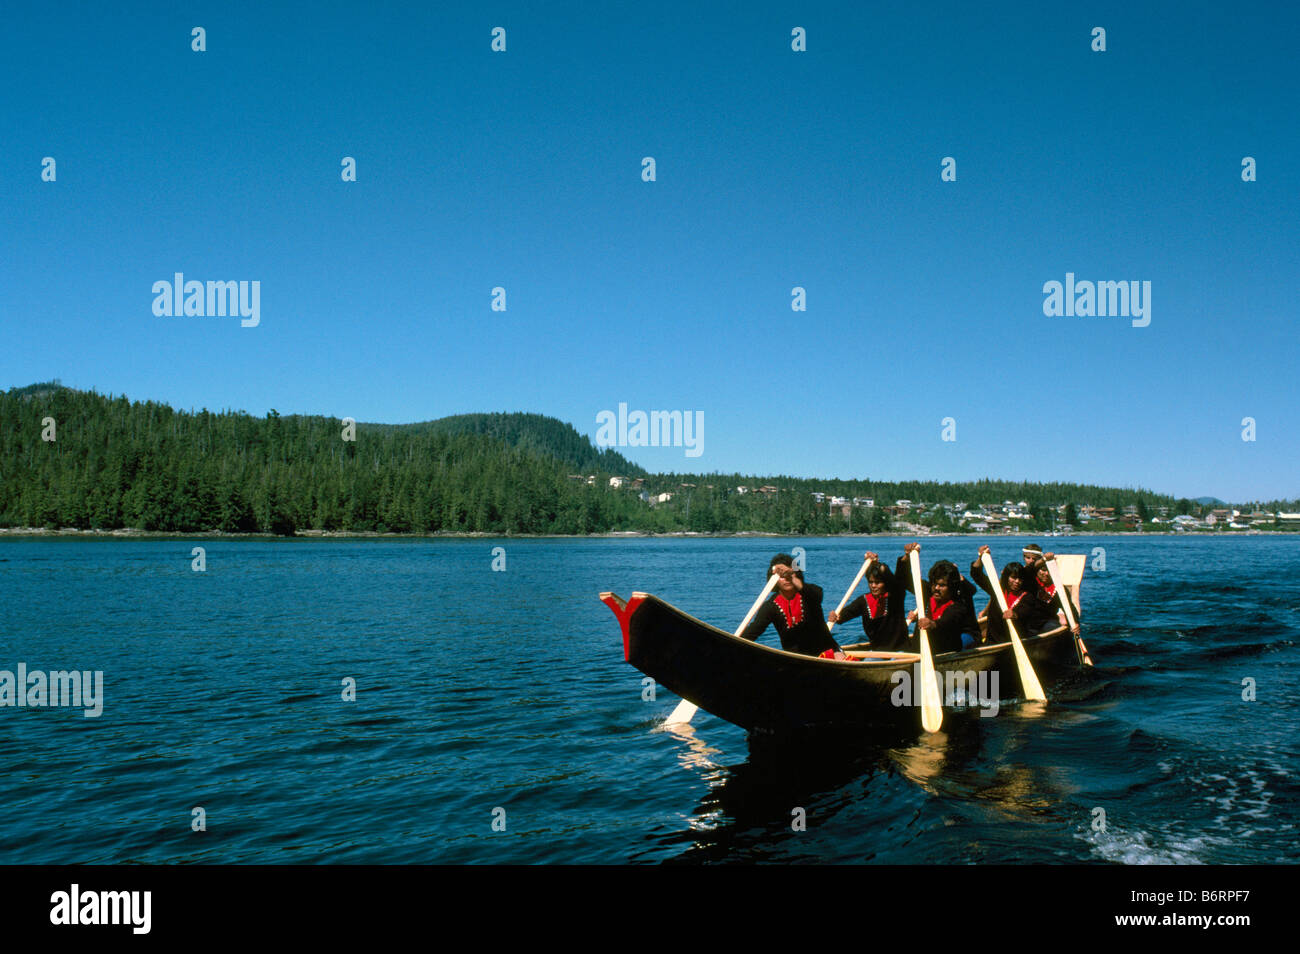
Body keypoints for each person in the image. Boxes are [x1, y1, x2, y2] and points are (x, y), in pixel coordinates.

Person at [741, 553, 843, 657]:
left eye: (790, 574)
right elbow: (752, 632)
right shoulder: (770, 606)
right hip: (795, 658)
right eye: (781, 576)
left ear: (797, 575)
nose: (786, 579)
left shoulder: (810, 594)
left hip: (827, 652)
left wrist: (790, 575)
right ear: (774, 580)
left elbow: (817, 595)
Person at [896, 543, 970, 655]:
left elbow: (947, 621)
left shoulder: (958, 606)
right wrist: (907, 557)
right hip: (918, 651)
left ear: (951, 587)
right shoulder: (927, 592)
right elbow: (903, 579)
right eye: (934, 584)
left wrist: (932, 624)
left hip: (943, 651)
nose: (936, 588)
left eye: (942, 585)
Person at [828, 551, 909, 651]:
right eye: (871, 582)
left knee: (916, 666)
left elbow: (896, 580)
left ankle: (915, 666)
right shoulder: (864, 600)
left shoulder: (896, 596)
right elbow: (844, 615)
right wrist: (835, 616)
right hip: (877, 650)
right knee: (868, 661)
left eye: (878, 582)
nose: (873, 586)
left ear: (885, 583)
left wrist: (876, 564)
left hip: (900, 649)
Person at [970, 545, 1027, 643]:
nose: (1017, 581)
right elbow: (976, 574)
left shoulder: (1026, 596)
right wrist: (981, 557)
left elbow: (1026, 611)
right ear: (1006, 577)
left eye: (1020, 579)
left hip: (1016, 639)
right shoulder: (997, 590)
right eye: (1013, 578)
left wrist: (1015, 614)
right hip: (993, 639)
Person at [1018, 549, 1082, 636]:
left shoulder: (1059, 589)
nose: (1046, 574)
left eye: (1049, 571)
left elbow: (1069, 607)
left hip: (1047, 623)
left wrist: (1075, 622)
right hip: (1027, 623)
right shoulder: (1030, 583)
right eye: (1043, 570)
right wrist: (1043, 560)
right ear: (1037, 571)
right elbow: (1025, 572)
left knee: (1053, 626)